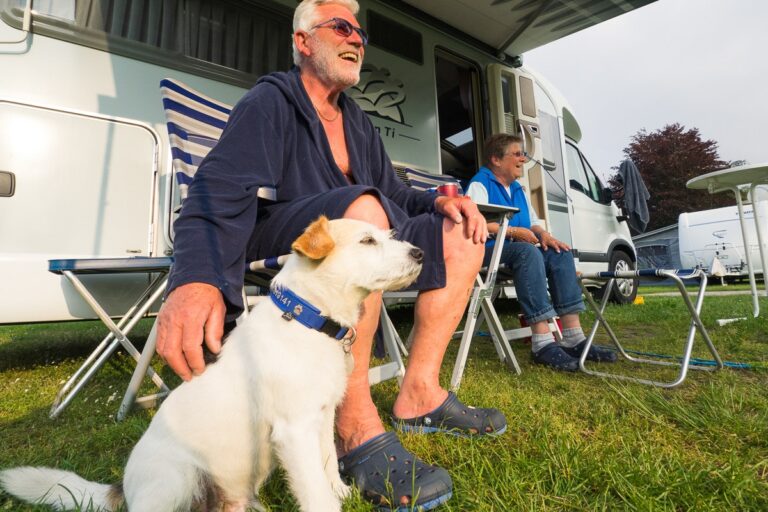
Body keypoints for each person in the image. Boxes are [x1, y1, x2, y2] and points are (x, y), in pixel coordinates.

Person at [155, 1, 505, 509]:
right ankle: (353, 426)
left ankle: (419, 393)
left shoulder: (356, 120)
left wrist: (439, 202)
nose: (357, 39)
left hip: (358, 232)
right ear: (303, 41)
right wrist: (196, 277)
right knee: (366, 209)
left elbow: (394, 192)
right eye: (341, 27)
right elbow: (218, 188)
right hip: (296, 240)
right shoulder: (271, 101)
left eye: (360, 33)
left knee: (462, 231)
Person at [466, 134, 617, 371]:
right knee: (528, 253)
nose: (523, 159)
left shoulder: (517, 189)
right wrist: (514, 231)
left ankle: (573, 337)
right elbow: (475, 222)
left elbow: (534, 223)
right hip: (486, 251)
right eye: (517, 154)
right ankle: (542, 342)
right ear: (496, 159)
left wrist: (545, 235)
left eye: (523, 154)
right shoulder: (480, 184)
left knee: (560, 252)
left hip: (516, 249)